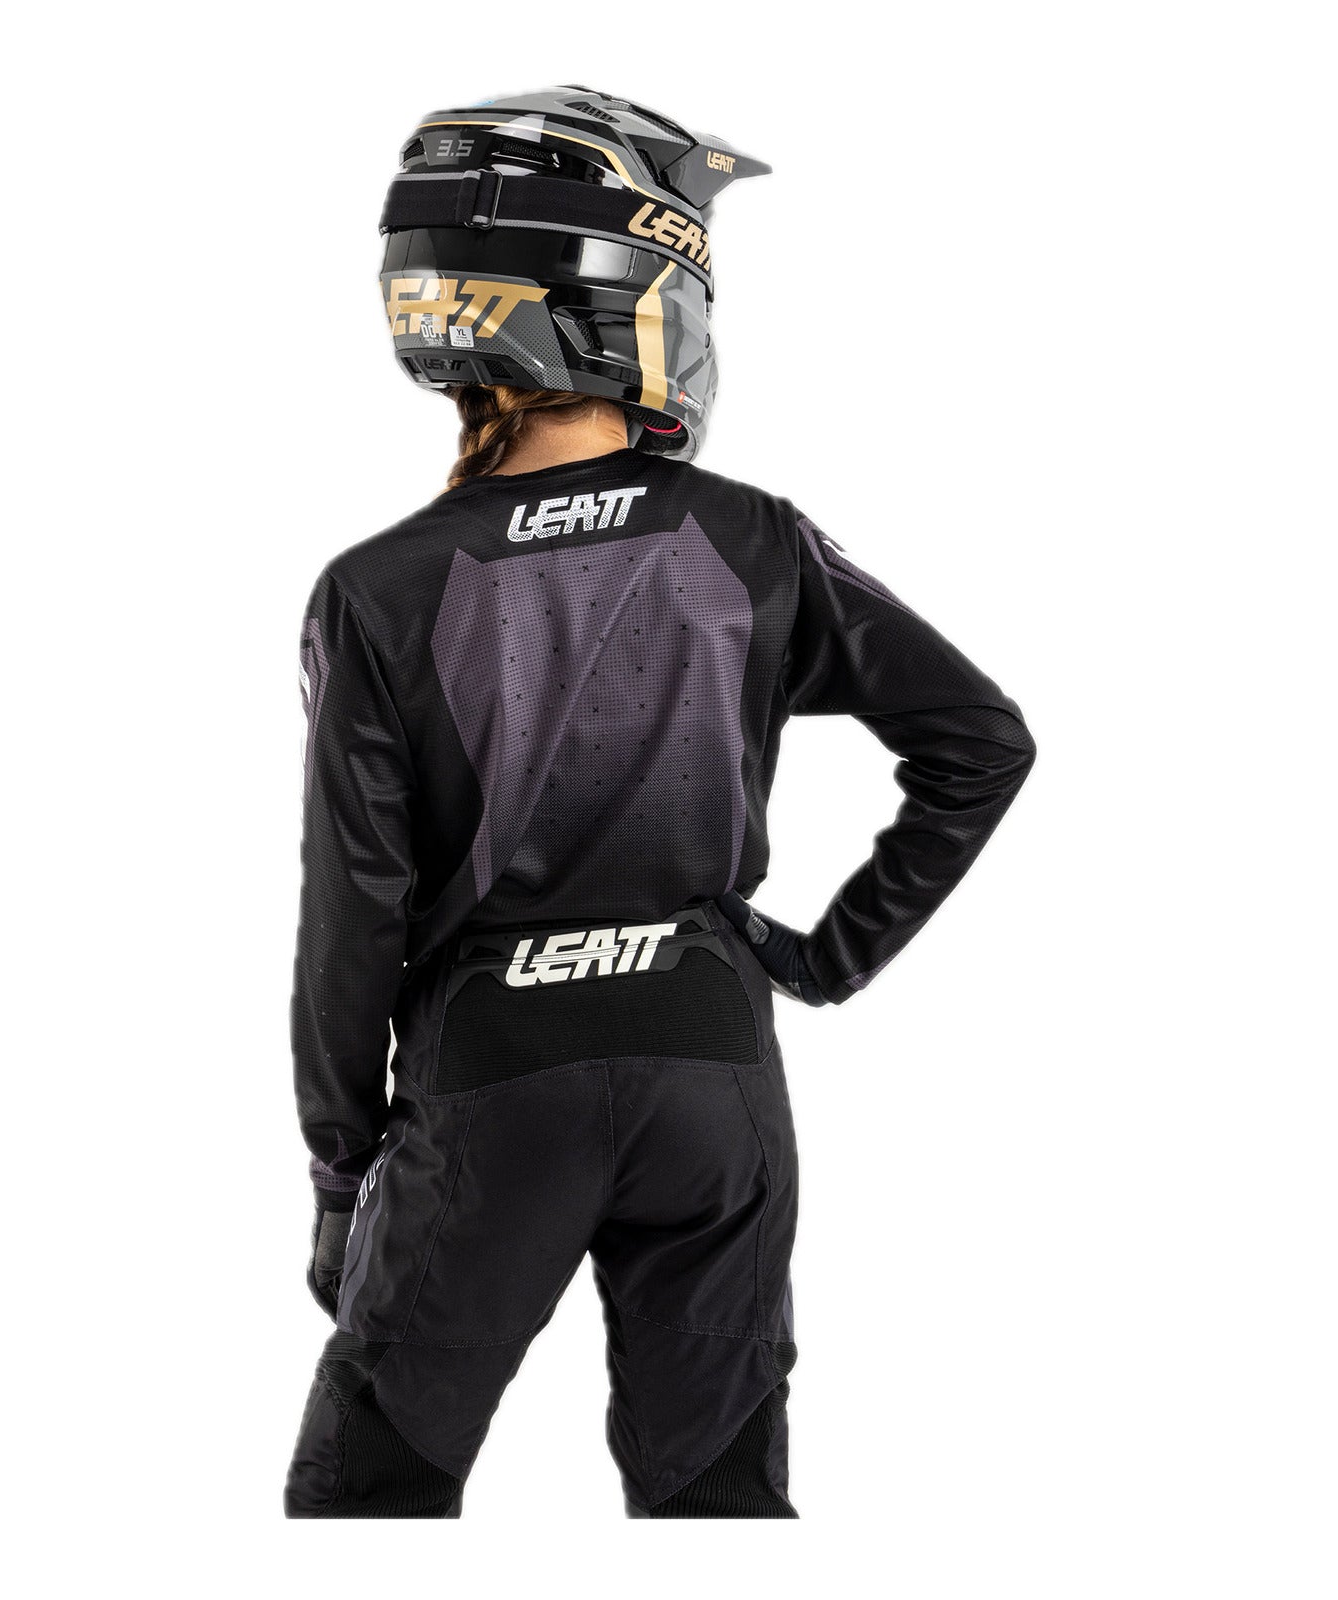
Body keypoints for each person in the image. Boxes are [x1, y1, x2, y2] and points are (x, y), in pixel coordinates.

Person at [284, 86, 1036, 1520]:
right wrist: (824, 959)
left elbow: (352, 919)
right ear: (638, 298)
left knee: (364, 1500)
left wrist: (339, 1176)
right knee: (717, 1507)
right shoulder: (750, 539)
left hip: (493, 1079)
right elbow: (980, 742)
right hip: (710, 1062)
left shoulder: (375, 589)